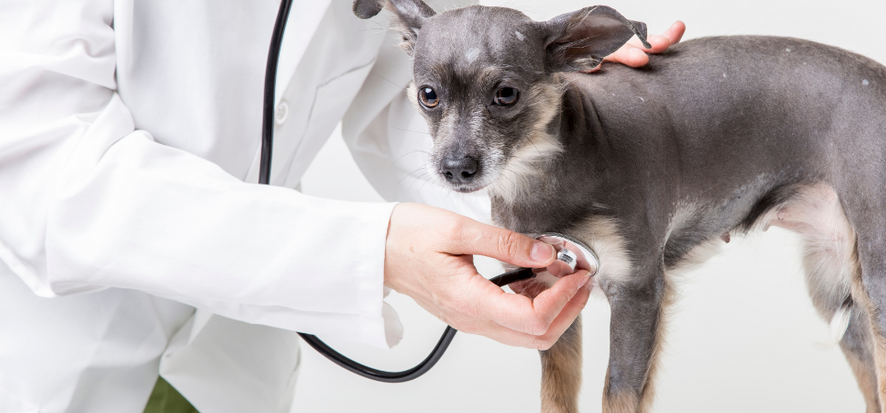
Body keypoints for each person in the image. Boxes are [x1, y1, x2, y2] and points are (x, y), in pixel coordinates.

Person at [0, 0, 685, 412]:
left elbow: (414, 90)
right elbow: (40, 165)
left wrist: (579, 120)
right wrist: (373, 251)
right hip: (63, 352)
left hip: (232, 366)